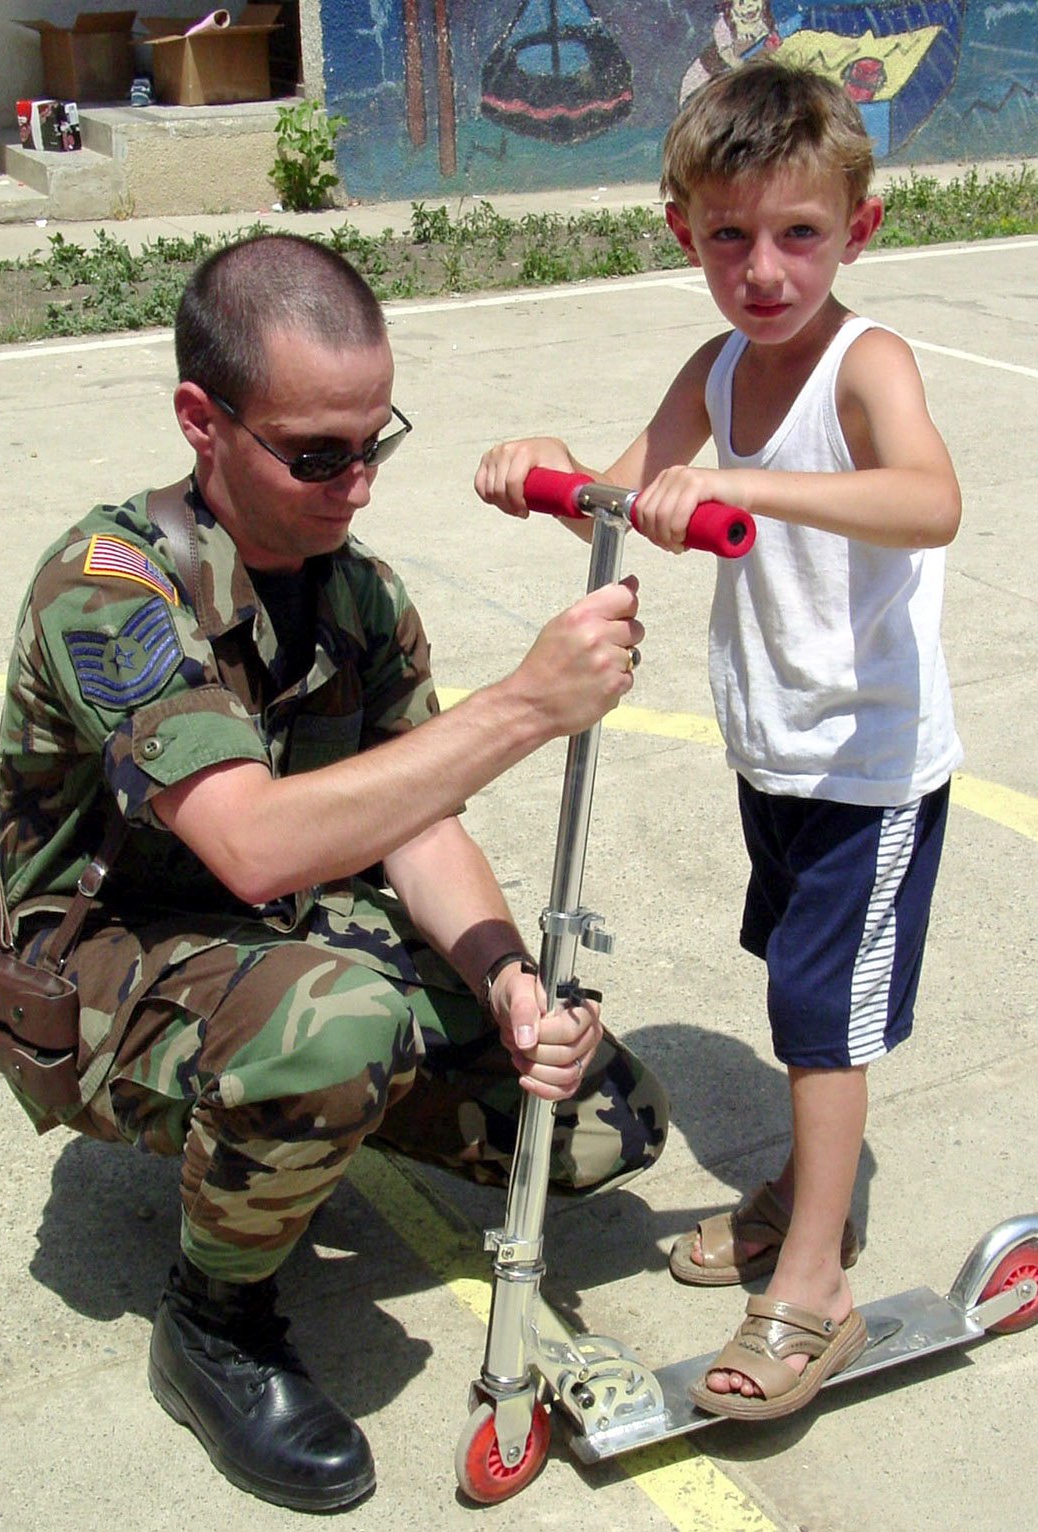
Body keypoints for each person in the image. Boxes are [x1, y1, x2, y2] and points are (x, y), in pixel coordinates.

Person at [0, 232, 668, 1510]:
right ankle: (214, 1320)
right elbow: (249, 839)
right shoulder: (112, 588)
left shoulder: (358, 594)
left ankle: (308, 1097)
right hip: (104, 958)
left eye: (374, 443)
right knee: (340, 1024)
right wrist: (528, 702)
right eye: (316, 453)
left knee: (596, 1124)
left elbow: (417, 816)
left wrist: (507, 975)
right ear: (203, 419)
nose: (356, 484)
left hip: (276, 928)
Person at [474, 59, 961, 1422]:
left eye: (799, 235)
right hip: (779, 754)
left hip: (872, 769)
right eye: (730, 235)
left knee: (822, 1019)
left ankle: (816, 1282)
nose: (764, 269)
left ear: (856, 234)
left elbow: (931, 501)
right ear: (682, 229)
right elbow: (633, 497)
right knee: (798, 1000)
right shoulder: (719, 366)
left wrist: (748, 483)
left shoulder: (869, 364)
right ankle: (811, 1190)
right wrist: (553, 470)